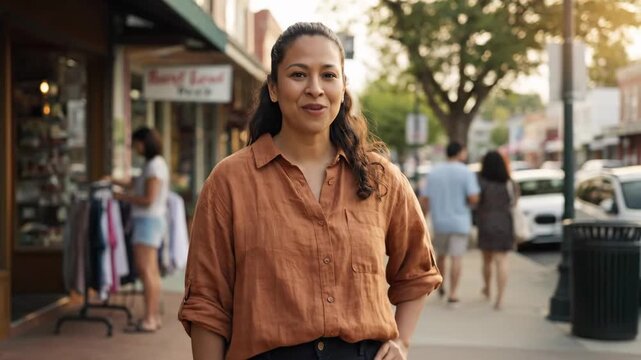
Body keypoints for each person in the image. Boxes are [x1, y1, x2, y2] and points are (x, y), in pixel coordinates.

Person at [178, 22, 442, 360]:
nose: (315, 89)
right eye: (299, 75)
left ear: (344, 87)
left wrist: (402, 341)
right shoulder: (229, 181)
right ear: (273, 87)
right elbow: (206, 301)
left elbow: (418, 270)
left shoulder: (381, 179)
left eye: (329, 75)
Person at [109, 126, 169, 332]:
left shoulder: (154, 166)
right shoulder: (153, 165)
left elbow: (148, 199)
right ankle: (152, 316)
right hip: (151, 221)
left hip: (148, 221)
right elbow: (135, 184)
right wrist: (113, 181)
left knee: (146, 270)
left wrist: (122, 197)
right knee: (150, 271)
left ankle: (150, 318)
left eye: (136, 144)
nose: (135, 148)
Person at [422, 142, 479, 304]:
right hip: (460, 221)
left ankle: (441, 286)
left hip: (440, 221)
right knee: (456, 258)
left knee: (441, 256)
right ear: (460, 153)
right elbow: (474, 197)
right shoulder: (466, 172)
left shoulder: (434, 173)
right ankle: (453, 293)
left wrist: (426, 216)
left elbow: (425, 199)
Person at [476, 150, 518, 310]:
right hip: (505, 223)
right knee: (502, 260)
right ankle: (500, 299)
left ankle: (487, 289)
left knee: (486, 260)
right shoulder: (510, 182)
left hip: (486, 223)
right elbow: (514, 202)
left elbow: (476, 201)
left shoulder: (481, 181)